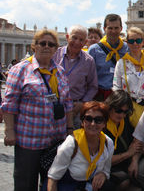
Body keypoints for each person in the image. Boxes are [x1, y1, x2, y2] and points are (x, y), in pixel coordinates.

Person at [1, 29, 74, 191]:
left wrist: (69, 129)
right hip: (29, 138)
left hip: (55, 138)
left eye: (51, 44)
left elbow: (67, 103)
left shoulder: (59, 71)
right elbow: (9, 103)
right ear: (34, 46)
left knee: (50, 182)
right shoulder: (20, 69)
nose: (46, 47)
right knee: (25, 182)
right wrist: (9, 131)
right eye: (42, 43)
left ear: (56, 48)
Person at [46, 101, 114, 191]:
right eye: (88, 119)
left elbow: (106, 170)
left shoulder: (107, 142)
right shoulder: (71, 144)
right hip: (68, 186)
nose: (93, 124)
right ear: (82, 122)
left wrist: (103, 175)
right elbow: (53, 178)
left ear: (104, 124)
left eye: (98, 120)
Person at [53, 25, 98, 129]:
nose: (77, 42)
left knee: (73, 141)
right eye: (74, 38)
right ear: (67, 37)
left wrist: (82, 103)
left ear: (85, 42)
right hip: (54, 105)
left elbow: (93, 86)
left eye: (81, 40)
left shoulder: (89, 61)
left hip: (75, 108)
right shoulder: (54, 54)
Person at [113, 27, 144, 128]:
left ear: (143, 41)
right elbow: (116, 87)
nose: (135, 44)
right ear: (127, 43)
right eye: (131, 41)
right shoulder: (121, 63)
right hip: (128, 109)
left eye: (138, 40)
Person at [89, 14, 128, 101]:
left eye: (116, 28)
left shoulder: (127, 49)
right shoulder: (94, 50)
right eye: (110, 28)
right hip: (101, 96)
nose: (113, 31)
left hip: (122, 97)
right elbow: (88, 76)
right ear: (104, 29)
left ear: (121, 28)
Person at [103, 90, 137, 190]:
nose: (122, 115)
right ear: (110, 107)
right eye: (118, 111)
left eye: (126, 112)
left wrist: (134, 160)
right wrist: (128, 154)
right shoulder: (100, 125)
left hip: (124, 162)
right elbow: (104, 160)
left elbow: (134, 143)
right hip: (106, 167)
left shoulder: (125, 121)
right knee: (124, 181)